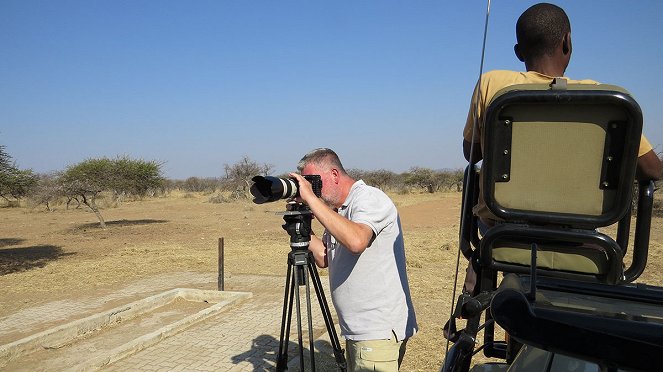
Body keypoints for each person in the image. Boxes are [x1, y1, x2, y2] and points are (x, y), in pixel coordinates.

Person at [460, 2, 663, 294]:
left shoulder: (493, 84)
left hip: (503, 234)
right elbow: (652, 170)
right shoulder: (606, 98)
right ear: (568, 42)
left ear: (519, 52)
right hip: (578, 239)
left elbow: (472, 154)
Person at [289, 148, 418, 372]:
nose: (312, 190)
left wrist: (310, 197)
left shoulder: (369, 198)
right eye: (307, 184)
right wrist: (302, 231)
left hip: (376, 332)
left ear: (335, 175)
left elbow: (357, 241)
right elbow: (324, 258)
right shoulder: (340, 211)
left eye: (313, 182)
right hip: (358, 332)